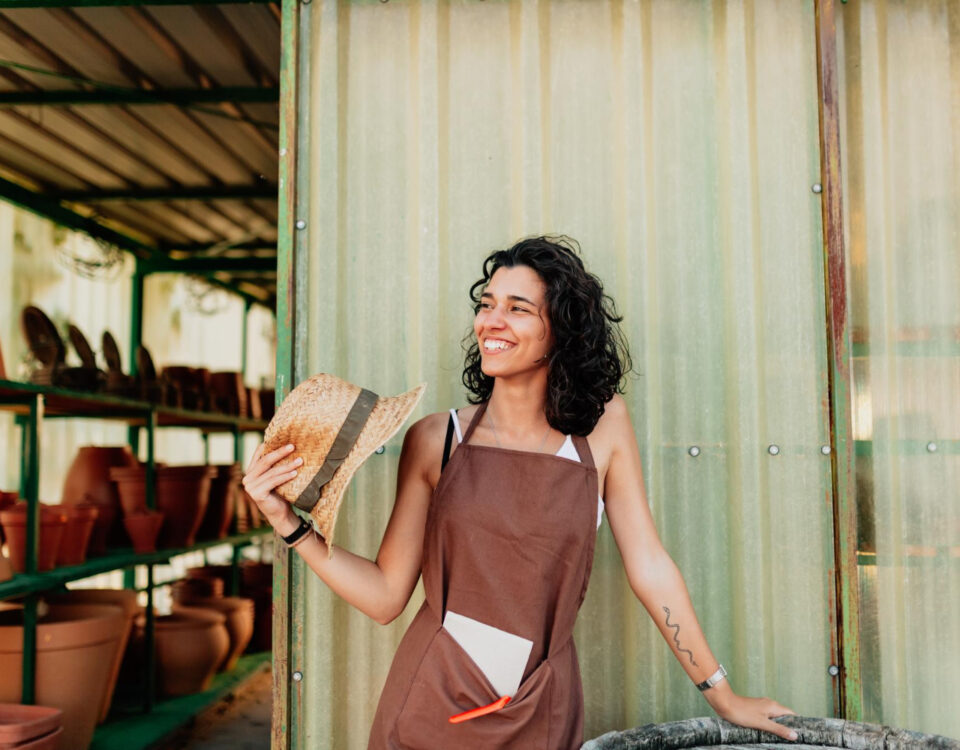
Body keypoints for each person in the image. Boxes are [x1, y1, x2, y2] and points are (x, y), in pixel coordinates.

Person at [243, 236, 798, 749]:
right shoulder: (436, 439)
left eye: (517, 307)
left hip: (543, 706)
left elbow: (649, 565)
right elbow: (388, 597)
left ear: (562, 329)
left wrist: (721, 694)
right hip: (430, 707)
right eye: (487, 304)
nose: (492, 321)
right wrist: (289, 523)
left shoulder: (603, 428)